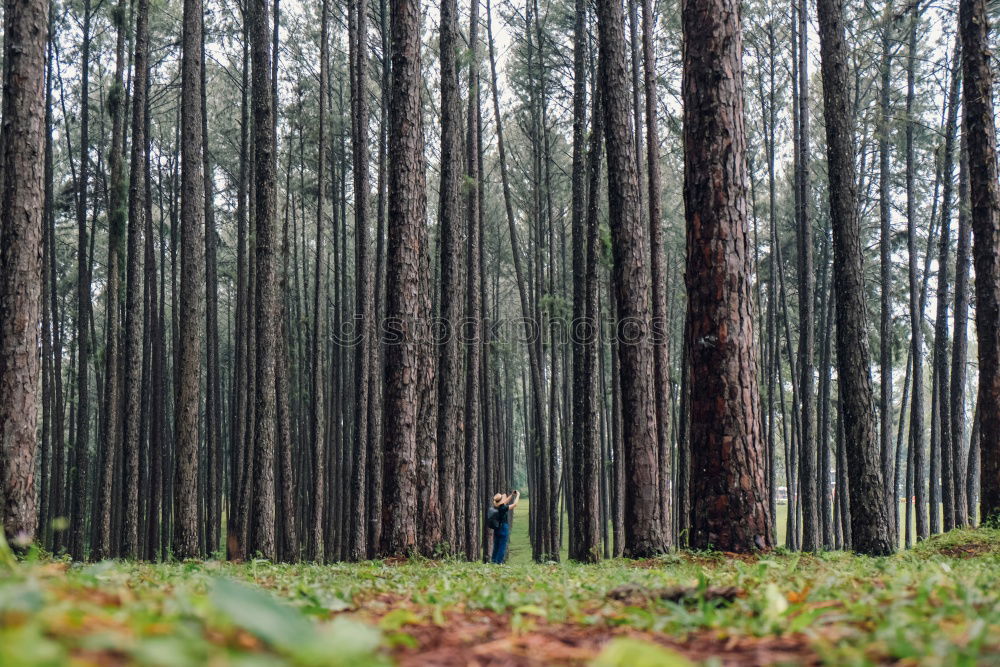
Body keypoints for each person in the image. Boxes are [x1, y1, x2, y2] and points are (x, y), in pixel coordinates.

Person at [487, 490, 519, 564]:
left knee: (496, 546)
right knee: (502, 546)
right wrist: (518, 495)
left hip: (497, 528)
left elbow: (505, 501)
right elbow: (515, 504)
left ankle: (493, 561)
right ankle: (498, 562)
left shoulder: (496, 507)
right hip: (503, 528)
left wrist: (512, 495)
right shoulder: (503, 508)